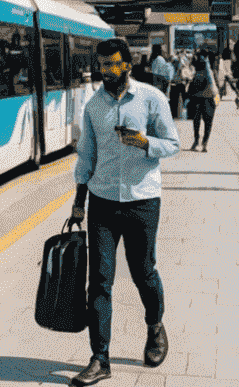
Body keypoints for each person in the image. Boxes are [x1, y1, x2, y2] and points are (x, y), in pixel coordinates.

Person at [68, 37, 179, 386]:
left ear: (127, 65)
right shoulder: (93, 106)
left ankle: (155, 327)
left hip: (143, 200)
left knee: (143, 271)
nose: (107, 71)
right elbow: (86, 155)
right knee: (99, 280)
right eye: (102, 65)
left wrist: (145, 143)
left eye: (114, 64)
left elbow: (173, 143)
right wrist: (78, 201)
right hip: (102, 201)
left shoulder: (151, 98)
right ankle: (100, 358)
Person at [186, 50, 218, 151]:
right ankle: (204, 143)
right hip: (209, 98)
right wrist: (217, 101)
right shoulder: (209, 71)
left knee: (197, 121)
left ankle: (197, 142)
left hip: (198, 98)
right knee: (208, 121)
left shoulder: (197, 71)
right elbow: (215, 88)